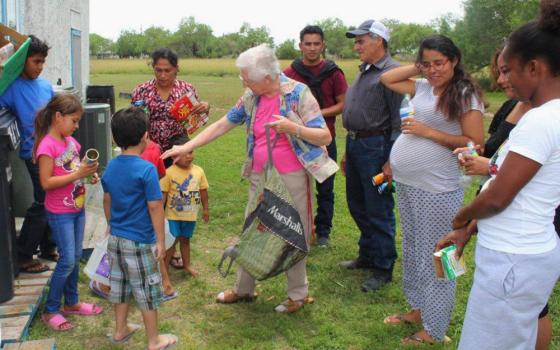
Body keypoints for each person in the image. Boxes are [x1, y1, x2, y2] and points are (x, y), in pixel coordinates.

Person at [162, 44, 332, 313]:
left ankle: (298, 296)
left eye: (247, 78)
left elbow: (325, 136)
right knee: (250, 228)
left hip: (292, 177)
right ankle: (244, 290)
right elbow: (222, 124)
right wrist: (186, 146)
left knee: (292, 232)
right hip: (258, 176)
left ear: (267, 77)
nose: (243, 82)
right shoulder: (251, 97)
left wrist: (293, 128)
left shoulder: (298, 94)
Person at [437, 1, 560, 348]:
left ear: (534, 67)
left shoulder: (542, 119)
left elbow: (498, 196)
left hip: (513, 258)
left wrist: (461, 219)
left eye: (510, 70)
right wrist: (469, 230)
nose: (501, 79)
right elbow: (506, 185)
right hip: (522, 252)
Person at [380, 34, 485, 345]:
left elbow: (475, 142)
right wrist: (422, 68)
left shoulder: (465, 94)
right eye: (426, 63)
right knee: (413, 249)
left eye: (440, 62)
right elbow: (387, 78)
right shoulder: (423, 86)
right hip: (409, 184)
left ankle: (436, 328)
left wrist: (428, 132)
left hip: (439, 189)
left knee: (442, 255)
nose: (433, 69)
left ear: (454, 61)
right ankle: (419, 308)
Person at [102, 107, 178, 349]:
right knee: (147, 290)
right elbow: (155, 207)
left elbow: (107, 199)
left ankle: (120, 330)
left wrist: (111, 226)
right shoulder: (146, 170)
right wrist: (160, 242)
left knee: (120, 286)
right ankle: (154, 340)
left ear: (115, 138)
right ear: (145, 136)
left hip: (116, 240)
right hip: (140, 242)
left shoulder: (111, 167)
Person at [338, 20, 402, 292]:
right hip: (356, 146)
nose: (356, 46)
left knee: (378, 208)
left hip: (377, 148)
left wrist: (391, 159)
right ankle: (367, 254)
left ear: (379, 41)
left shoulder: (393, 73)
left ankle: (383, 266)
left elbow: (400, 122)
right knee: (357, 203)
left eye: (361, 41)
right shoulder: (365, 71)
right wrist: (347, 150)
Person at [34, 94, 103, 331]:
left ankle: (71, 303)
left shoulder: (71, 143)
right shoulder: (47, 146)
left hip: (77, 209)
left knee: (73, 259)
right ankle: (51, 309)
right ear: (58, 117)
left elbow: (74, 165)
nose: (76, 126)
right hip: (59, 212)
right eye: (73, 121)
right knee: (66, 261)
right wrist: (78, 174)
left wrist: (89, 172)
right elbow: (45, 182)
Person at [284, 25, 348, 247]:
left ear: (323, 45)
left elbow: (342, 104)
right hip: (295, 141)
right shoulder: (289, 73)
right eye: (307, 44)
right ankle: (294, 227)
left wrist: (315, 114)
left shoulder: (334, 72)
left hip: (324, 140)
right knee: (294, 186)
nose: (312, 48)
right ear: (300, 45)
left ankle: (323, 232)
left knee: (325, 188)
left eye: (316, 44)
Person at [0, 35, 56, 273]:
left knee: (51, 199)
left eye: (43, 62)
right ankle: (24, 255)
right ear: (22, 61)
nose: (40, 67)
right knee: (43, 202)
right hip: (32, 153)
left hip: (52, 152)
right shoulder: (10, 89)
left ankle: (47, 246)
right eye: (36, 61)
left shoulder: (45, 86)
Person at [131, 48, 210, 168]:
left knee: (176, 183)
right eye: (158, 70)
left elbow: (195, 121)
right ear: (153, 67)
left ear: (176, 68)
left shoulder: (187, 89)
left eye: (167, 70)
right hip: (149, 151)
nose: (162, 75)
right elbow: (133, 122)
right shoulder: (141, 91)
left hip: (178, 151)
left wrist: (205, 107)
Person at [161, 136, 209, 278]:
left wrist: (206, 209)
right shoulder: (168, 172)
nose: (189, 156)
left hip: (190, 216)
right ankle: (164, 271)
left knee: (185, 241)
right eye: (185, 153)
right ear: (174, 155)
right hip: (172, 216)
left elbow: (203, 191)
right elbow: (162, 195)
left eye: (191, 152)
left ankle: (187, 265)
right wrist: (159, 214)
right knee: (170, 243)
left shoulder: (199, 171)